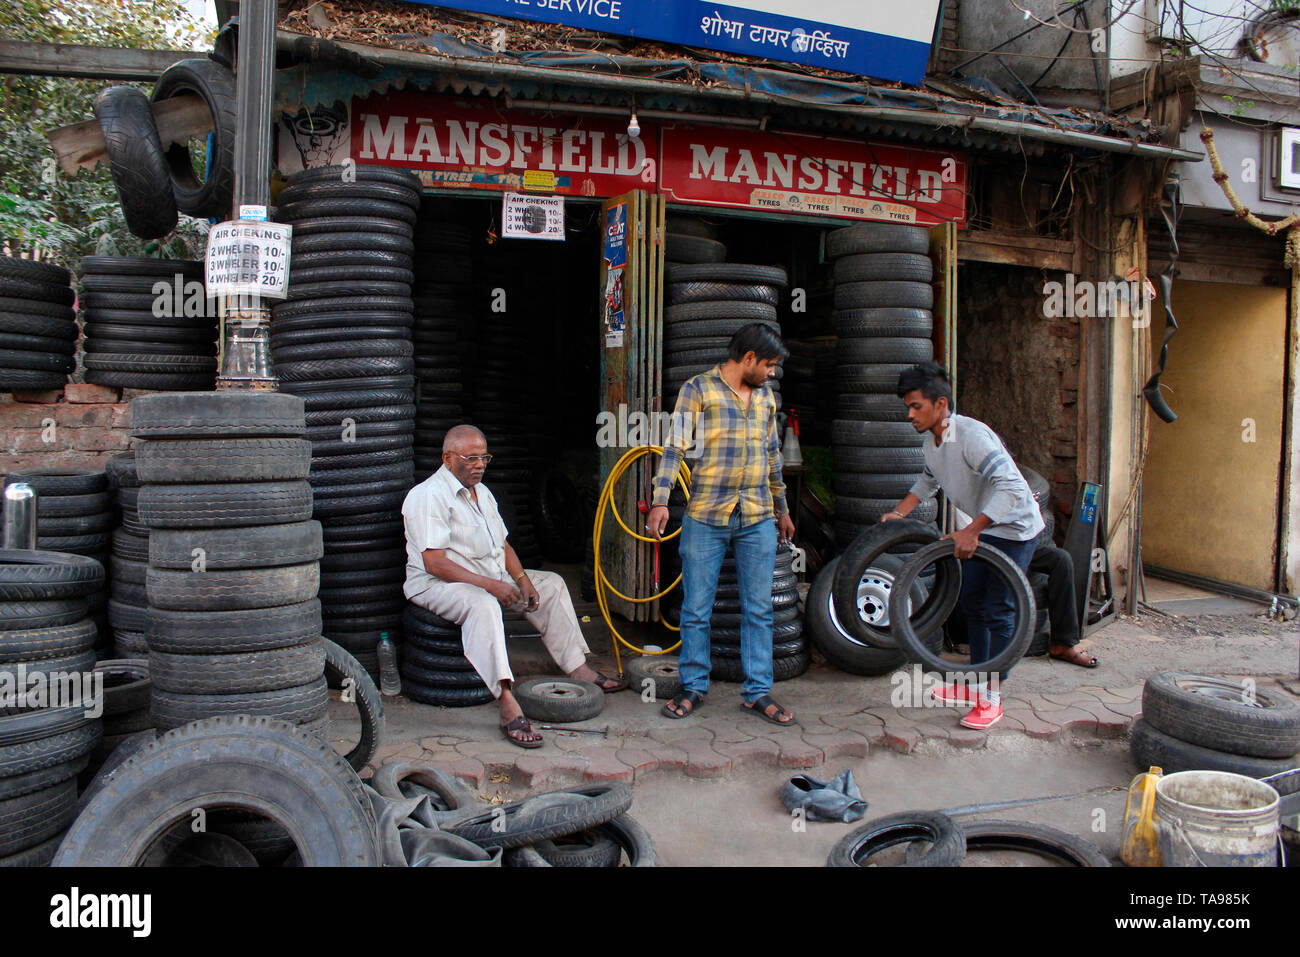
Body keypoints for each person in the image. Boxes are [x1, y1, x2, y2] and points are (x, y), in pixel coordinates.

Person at [402, 424, 627, 749]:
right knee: (483, 604)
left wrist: (521, 579)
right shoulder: (426, 496)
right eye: (471, 458)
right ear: (447, 458)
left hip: (484, 574)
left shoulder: (483, 492)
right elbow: (434, 563)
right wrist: (493, 586)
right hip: (437, 583)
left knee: (550, 584)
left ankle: (578, 669)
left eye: (485, 457)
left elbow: (502, 544)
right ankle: (507, 701)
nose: (480, 464)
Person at [645, 323, 797, 726]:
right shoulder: (698, 389)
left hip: (758, 516)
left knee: (760, 609)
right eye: (768, 365)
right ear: (748, 359)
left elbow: (773, 454)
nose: (772, 373)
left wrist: (781, 508)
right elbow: (674, 448)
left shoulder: (765, 399)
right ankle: (693, 686)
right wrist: (661, 502)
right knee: (696, 608)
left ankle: (757, 692)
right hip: (706, 516)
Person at [881, 361, 1044, 730]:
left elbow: (1013, 489)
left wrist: (972, 530)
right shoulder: (933, 440)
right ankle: (976, 683)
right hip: (984, 528)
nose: (910, 414)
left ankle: (992, 698)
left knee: (999, 610)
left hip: (1014, 528)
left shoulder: (971, 436)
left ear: (940, 404)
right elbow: (929, 480)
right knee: (972, 603)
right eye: (907, 406)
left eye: (916, 406)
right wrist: (899, 512)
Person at [1031, 543, 1099, 667]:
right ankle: (990, 679)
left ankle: (1062, 644)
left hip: (1019, 540)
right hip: (993, 544)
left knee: (1061, 559)